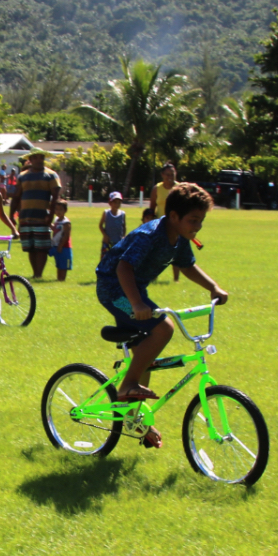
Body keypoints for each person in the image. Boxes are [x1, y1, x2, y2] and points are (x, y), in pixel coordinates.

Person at [93, 183, 229, 448]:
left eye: (201, 220)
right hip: (113, 287)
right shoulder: (151, 235)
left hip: (134, 289)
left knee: (147, 355)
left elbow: (187, 266)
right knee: (164, 328)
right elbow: (123, 268)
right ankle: (127, 385)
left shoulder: (179, 238)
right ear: (174, 216)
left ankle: (135, 419)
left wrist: (213, 287)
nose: (198, 226)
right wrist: (136, 303)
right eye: (193, 220)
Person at [10, 150, 60, 278]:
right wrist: (11, 214)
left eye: (41, 157)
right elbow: (16, 196)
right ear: (30, 160)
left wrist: (51, 215)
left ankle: (39, 274)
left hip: (42, 217)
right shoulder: (22, 176)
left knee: (41, 247)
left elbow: (55, 198)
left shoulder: (51, 175)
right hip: (25, 217)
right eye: (36, 157)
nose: (39, 160)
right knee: (30, 247)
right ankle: (35, 273)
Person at [49, 200, 73, 282]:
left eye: (60, 209)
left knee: (63, 265)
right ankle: (58, 279)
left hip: (64, 247)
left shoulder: (66, 222)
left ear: (65, 210)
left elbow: (66, 235)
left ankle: (62, 279)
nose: (58, 211)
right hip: (56, 246)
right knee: (58, 264)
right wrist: (49, 224)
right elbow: (55, 229)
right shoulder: (56, 220)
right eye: (56, 209)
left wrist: (61, 245)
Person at [99, 191, 127, 257]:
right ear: (110, 203)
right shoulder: (106, 213)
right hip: (107, 242)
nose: (117, 204)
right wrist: (105, 235)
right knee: (104, 260)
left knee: (116, 260)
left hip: (118, 242)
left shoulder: (122, 214)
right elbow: (100, 225)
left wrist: (123, 236)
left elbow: (124, 226)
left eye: (119, 202)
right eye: (115, 202)